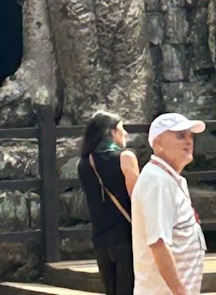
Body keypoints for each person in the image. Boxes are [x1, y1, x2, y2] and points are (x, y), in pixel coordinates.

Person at [131, 112, 207, 295]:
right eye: (180, 136)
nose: (189, 142)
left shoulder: (169, 179)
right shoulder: (157, 181)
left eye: (191, 136)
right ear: (158, 144)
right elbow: (158, 243)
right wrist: (180, 292)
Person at [78, 111, 140, 295]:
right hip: (125, 236)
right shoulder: (125, 158)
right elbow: (137, 199)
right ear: (111, 132)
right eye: (122, 129)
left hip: (100, 238)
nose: (125, 134)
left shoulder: (84, 163)